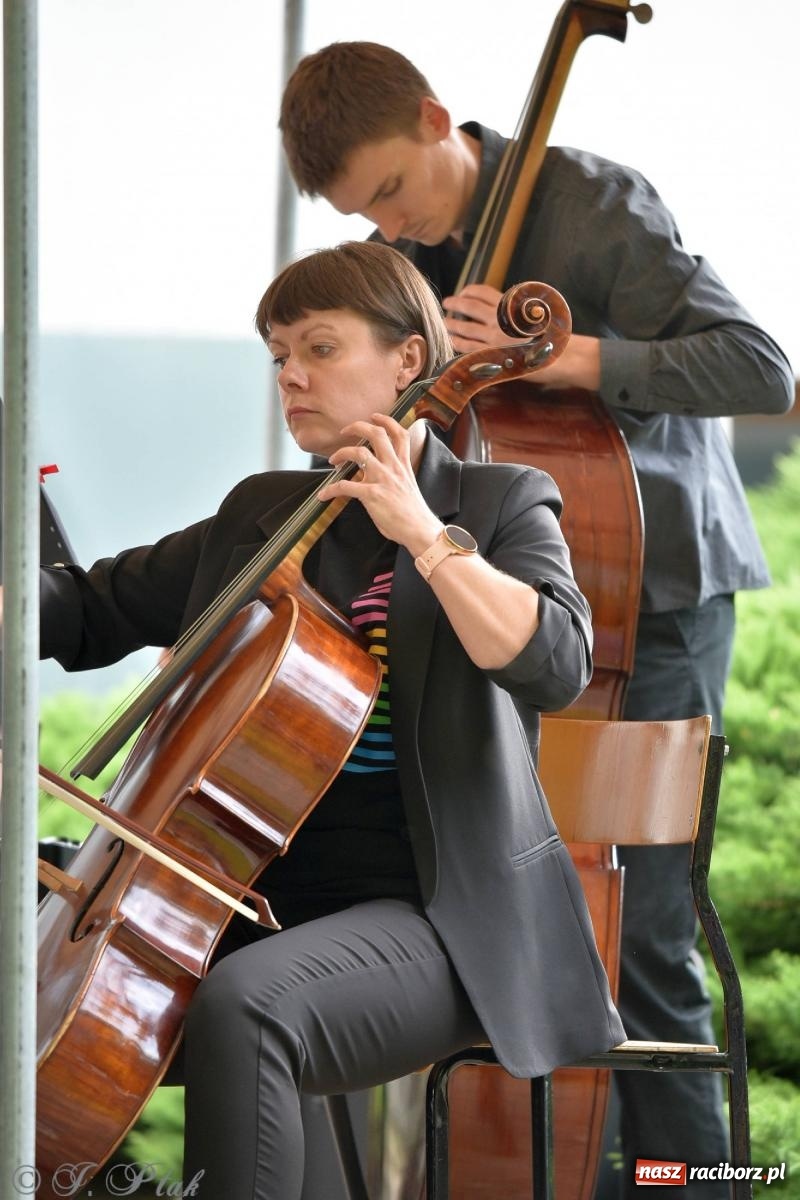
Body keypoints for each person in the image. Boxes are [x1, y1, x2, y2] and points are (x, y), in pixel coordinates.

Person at [279, 42, 796, 1197]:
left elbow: (757, 366)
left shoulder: (591, 202)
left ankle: (678, 1183)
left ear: (434, 119)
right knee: (482, 906)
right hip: (488, 616)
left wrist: (568, 359)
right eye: (361, 212)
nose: (389, 230)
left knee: (645, 924)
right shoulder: (390, 259)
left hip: (649, 593)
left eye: (392, 193)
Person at [35, 240, 624, 1199]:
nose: (291, 376)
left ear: (406, 360)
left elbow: (555, 662)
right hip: (258, 902)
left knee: (248, 1005)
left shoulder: (500, 501)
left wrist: (425, 537)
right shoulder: (266, 514)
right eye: (277, 356)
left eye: (319, 347)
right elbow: (90, 608)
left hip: (439, 918)